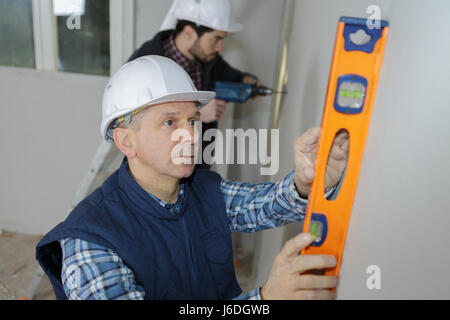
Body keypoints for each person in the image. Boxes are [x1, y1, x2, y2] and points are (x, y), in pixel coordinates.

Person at [36, 56, 349, 300]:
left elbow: (265, 205)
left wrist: (308, 182)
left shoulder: (201, 189)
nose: (190, 135)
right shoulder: (91, 240)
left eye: (192, 120)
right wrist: (265, 298)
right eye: (169, 122)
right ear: (125, 141)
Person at [128, 0, 262, 168]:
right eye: (216, 39)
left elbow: (230, 74)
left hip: (195, 165)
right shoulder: (145, 63)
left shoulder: (207, 59)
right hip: (156, 169)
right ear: (189, 33)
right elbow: (136, 119)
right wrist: (197, 113)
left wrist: (249, 81)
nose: (219, 47)